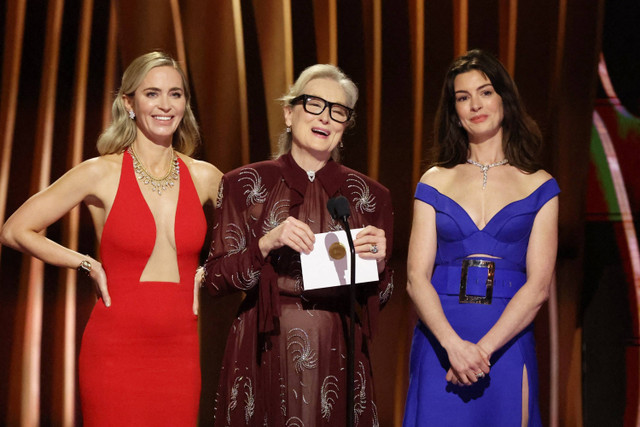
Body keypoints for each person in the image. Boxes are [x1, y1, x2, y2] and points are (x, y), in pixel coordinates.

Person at [0, 51, 222, 425]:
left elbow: (258, 238)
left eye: (176, 94)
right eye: (152, 94)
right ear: (128, 103)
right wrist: (85, 263)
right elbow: (14, 229)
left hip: (180, 352)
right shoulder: (100, 172)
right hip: (115, 350)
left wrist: (212, 270)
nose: (165, 105)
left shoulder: (205, 176)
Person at [200, 64, 394, 426]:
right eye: (315, 104)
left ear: (345, 125)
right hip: (261, 344)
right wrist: (265, 244)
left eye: (338, 111)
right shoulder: (244, 183)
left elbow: (380, 299)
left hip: (337, 350)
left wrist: (379, 267)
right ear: (289, 113)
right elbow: (214, 280)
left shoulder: (369, 196)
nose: (326, 118)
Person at [402, 49, 559, 426]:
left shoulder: (541, 185)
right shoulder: (433, 181)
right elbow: (415, 278)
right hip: (441, 343)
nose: (475, 105)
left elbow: (538, 287)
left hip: (506, 342)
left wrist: (481, 352)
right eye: (463, 97)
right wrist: (454, 347)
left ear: (504, 97)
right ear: (453, 110)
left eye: (485, 92)